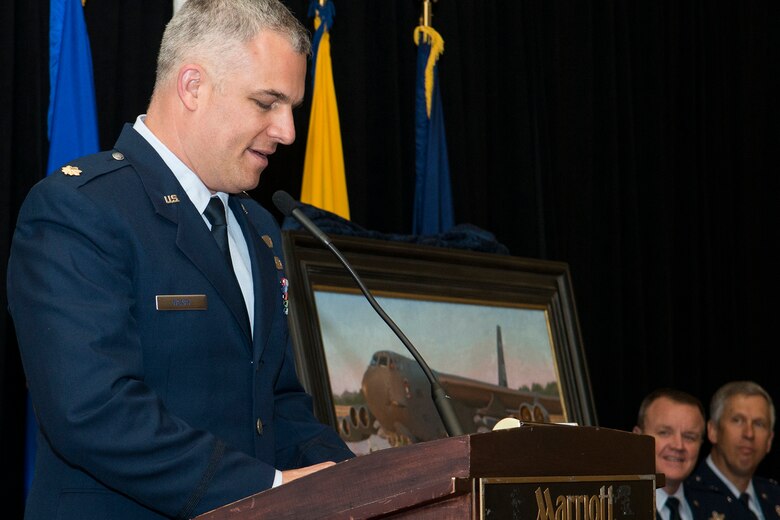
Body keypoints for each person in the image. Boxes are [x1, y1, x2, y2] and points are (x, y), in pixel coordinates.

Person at [7, 1, 354, 518]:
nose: (287, 132)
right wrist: (272, 490)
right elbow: (96, 411)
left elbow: (276, 403)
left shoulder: (258, 228)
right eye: (267, 103)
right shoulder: (79, 209)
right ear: (192, 87)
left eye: (292, 109)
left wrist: (355, 479)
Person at [686, 381, 780, 520]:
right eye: (737, 420)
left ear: (769, 440)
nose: (749, 434)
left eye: (759, 424)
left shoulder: (774, 495)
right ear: (713, 431)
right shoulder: (687, 498)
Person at [633, 388, 707, 520]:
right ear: (638, 438)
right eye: (664, 433)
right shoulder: (614, 508)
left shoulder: (714, 504)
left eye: (689, 437)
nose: (678, 445)